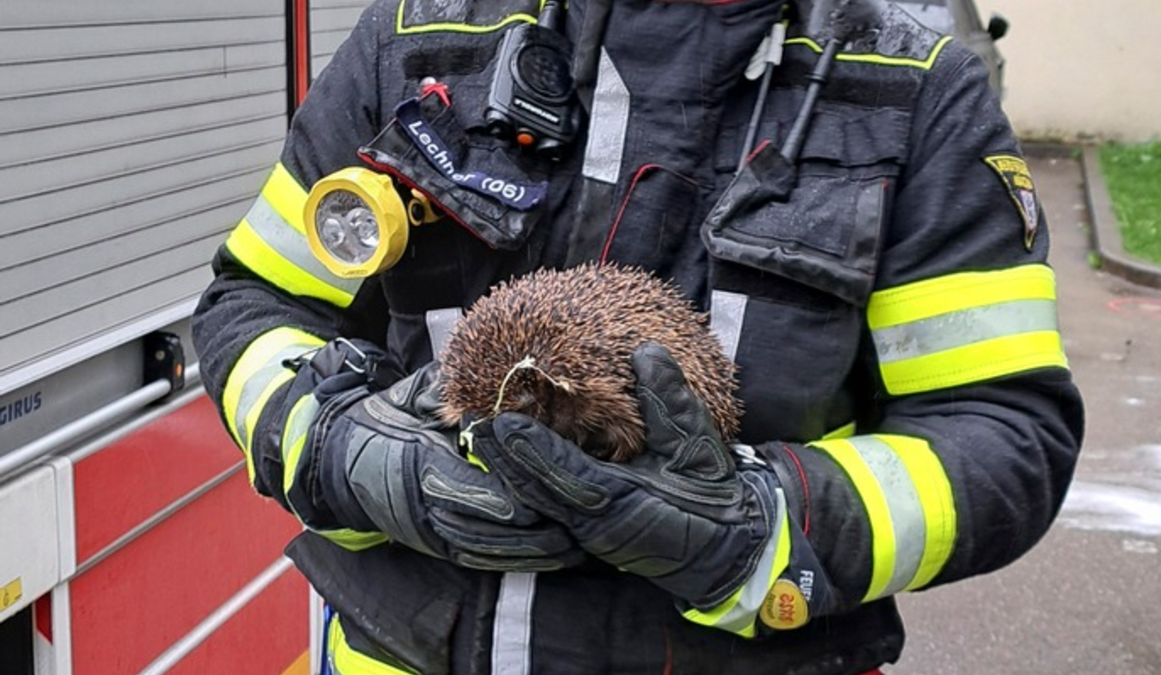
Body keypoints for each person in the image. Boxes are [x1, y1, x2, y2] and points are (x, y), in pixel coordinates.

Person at [192, 0, 1085, 672]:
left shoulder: (910, 91)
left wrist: (762, 523)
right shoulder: (417, 44)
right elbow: (254, 304)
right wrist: (344, 449)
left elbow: (1005, 435)